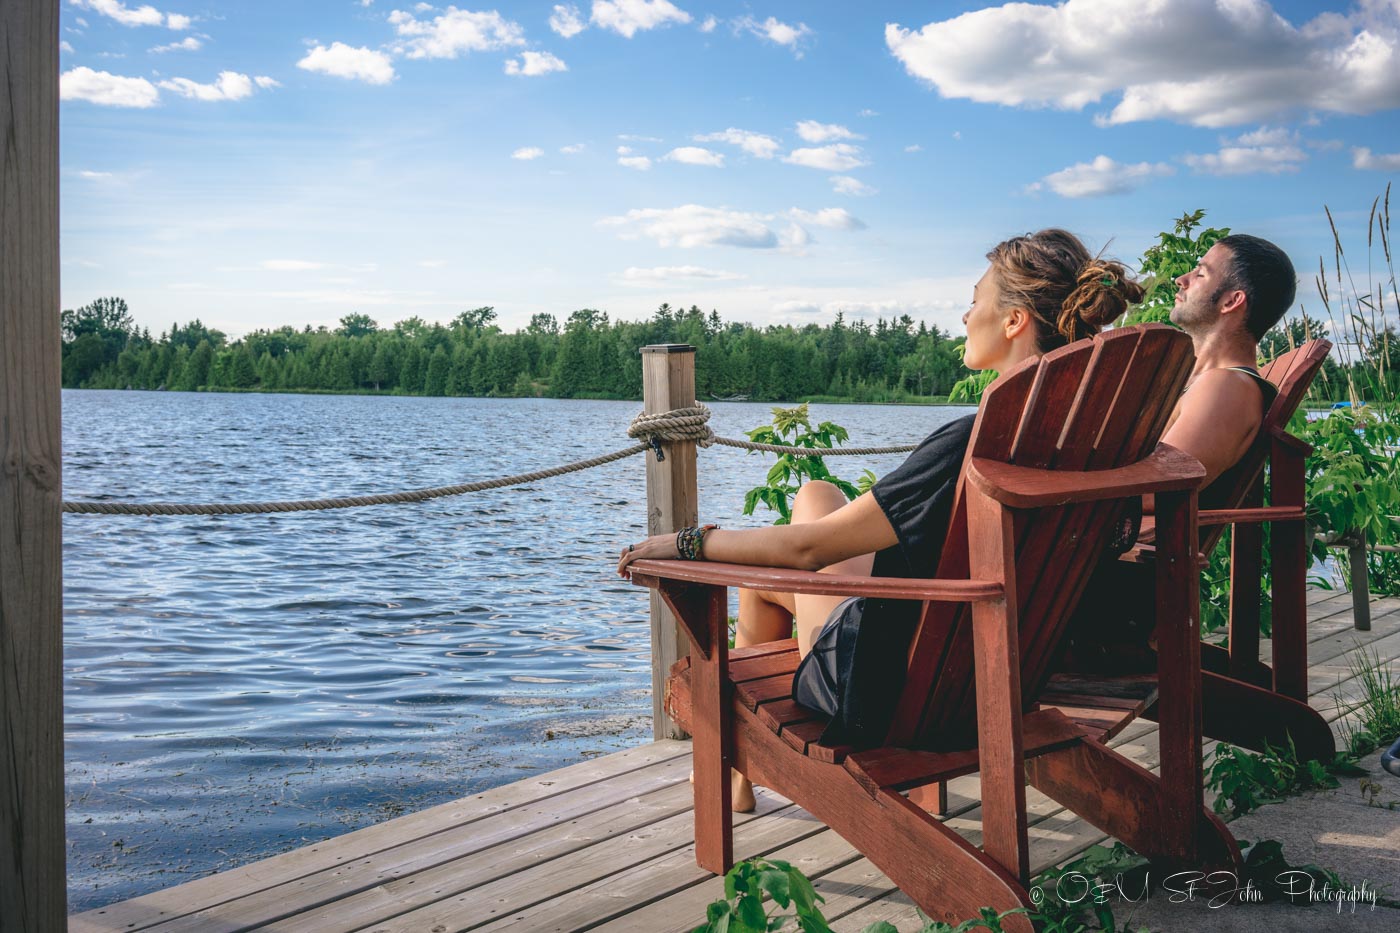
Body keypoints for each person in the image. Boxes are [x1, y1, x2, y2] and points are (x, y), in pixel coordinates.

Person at [618, 229, 1145, 810]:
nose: (966, 314)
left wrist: (689, 543)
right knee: (816, 491)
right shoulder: (1083, 441)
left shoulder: (977, 442)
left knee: (756, 572)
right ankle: (737, 778)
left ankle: (734, 776)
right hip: (1006, 663)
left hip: (893, 694)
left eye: (976, 300)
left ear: (1015, 320)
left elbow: (806, 553)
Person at [1063, 234, 1298, 668]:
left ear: (1232, 301)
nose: (1182, 278)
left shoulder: (1226, 387)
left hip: (1115, 598)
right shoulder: (1200, 384)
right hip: (1109, 569)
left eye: (1201, 273)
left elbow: (1155, 493)